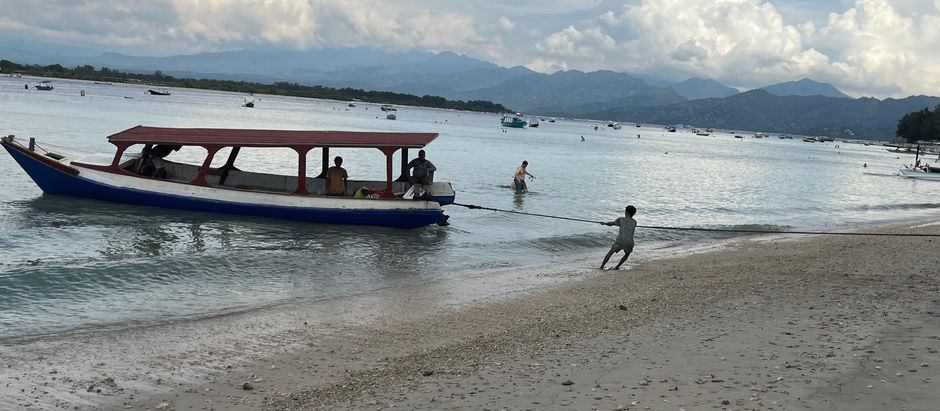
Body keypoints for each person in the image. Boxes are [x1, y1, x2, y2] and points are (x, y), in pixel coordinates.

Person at [600, 205, 637, 270]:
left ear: (626, 212)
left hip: (620, 240)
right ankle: (617, 267)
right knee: (627, 254)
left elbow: (611, 224)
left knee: (610, 252)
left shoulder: (621, 219)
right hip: (630, 241)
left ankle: (602, 266)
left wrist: (604, 223)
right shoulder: (635, 222)